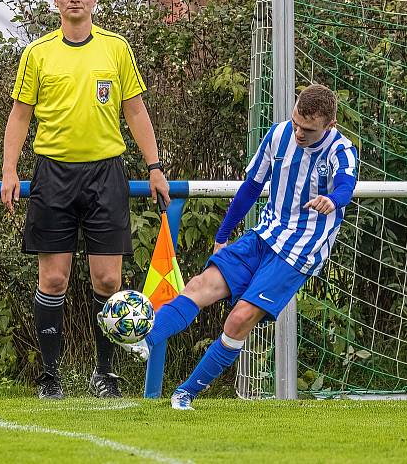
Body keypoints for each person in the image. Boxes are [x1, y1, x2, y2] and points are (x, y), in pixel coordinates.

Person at [0, 0, 170, 400]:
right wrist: (9, 169)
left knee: (108, 282)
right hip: (53, 174)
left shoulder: (116, 49)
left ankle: (105, 375)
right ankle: (50, 377)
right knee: (53, 280)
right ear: (55, 0)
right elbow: (20, 115)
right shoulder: (38, 53)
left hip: (105, 174)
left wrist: (154, 165)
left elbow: (134, 110)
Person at [133, 84, 358, 410]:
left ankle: (185, 393)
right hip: (262, 235)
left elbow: (346, 186)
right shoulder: (279, 135)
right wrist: (224, 233)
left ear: (329, 126)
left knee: (238, 320)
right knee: (199, 285)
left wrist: (331, 200)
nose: (298, 132)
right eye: (295, 122)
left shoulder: (341, 150)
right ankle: (145, 339)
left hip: (298, 252)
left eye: (307, 129)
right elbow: (252, 187)